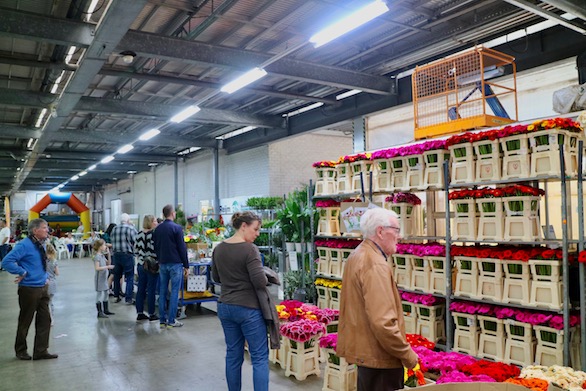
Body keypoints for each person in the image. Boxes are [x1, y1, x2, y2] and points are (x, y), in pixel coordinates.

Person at [337, 207, 418, 391]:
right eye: (396, 230)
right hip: (381, 360)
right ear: (380, 231)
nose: (399, 236)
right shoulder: (375, 264)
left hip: (367, 356)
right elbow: (383, 322)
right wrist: (407, 355)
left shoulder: (357, 255)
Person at [212, 211, 269, 391]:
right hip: (248, 308)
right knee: (259, 358)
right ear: (243, 226)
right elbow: (260, 281)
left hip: (226, 307)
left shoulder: (219, 248)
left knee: (233, 355)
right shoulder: (250, 249)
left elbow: (216, 277)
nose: (257, 233)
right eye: (255, 229)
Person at [2, 218, 58, 361]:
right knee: (25, 320)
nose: (47, 230)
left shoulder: (42, 244)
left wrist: (45, 276)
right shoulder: (24, 245)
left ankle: (41, 350)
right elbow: (6, 261)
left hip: (42, 286)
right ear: (35, 230)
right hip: (29, 289)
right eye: (44, 228)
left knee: (45, 319)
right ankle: (21, 350)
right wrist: (22, 272)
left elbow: (42, 262)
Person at [153, 204, 188, 329]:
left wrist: (160, 258)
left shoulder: (157, 229)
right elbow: (182, 248)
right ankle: (172, 320)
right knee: (174, 292)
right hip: (175, 263)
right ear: (172, 213)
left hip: (163, 263)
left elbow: (155, 246)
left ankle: (162, 320)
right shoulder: (177, 228)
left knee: (162, 291)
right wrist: (186, 265)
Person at [134, 214, 159, 322]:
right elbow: (155, 250)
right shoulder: (154, 235)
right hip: (152, 265)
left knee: (141, 289)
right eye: (155, 221)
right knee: (151, 289)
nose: (156, 223)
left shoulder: (138, 234)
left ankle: (140, 312)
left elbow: (135, 250)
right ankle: (152, 313)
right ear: (150, 222)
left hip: (141, 264)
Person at [110, 213, 137, 304]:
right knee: (129, 276)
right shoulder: (130, 228)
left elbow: (112, 240)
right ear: (128, 220)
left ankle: (116, 296)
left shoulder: (114, 229)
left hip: (116, 255)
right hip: (127, 255)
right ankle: (128, 298)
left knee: (117, 276)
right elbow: (136, 240)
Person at [93, 239, 115, 318]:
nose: (105, 246)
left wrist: (108, 254)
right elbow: (97, 268)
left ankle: (106, 309)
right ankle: (99, 312)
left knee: (106, 292)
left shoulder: (102, 255)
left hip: (104, 278)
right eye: (104, 245)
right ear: (100, 247)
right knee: (99, 294)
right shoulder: (97, 257)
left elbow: (108, 262)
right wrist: (107, 267)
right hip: (99, 278)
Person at [45, 243, 59, 326]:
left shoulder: (43, 261)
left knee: (45, 302)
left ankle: (46, 318)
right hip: (52, 282)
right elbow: (57, 273)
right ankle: (51, 319)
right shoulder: (54, 262)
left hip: (44, 281)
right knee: (51, 301)